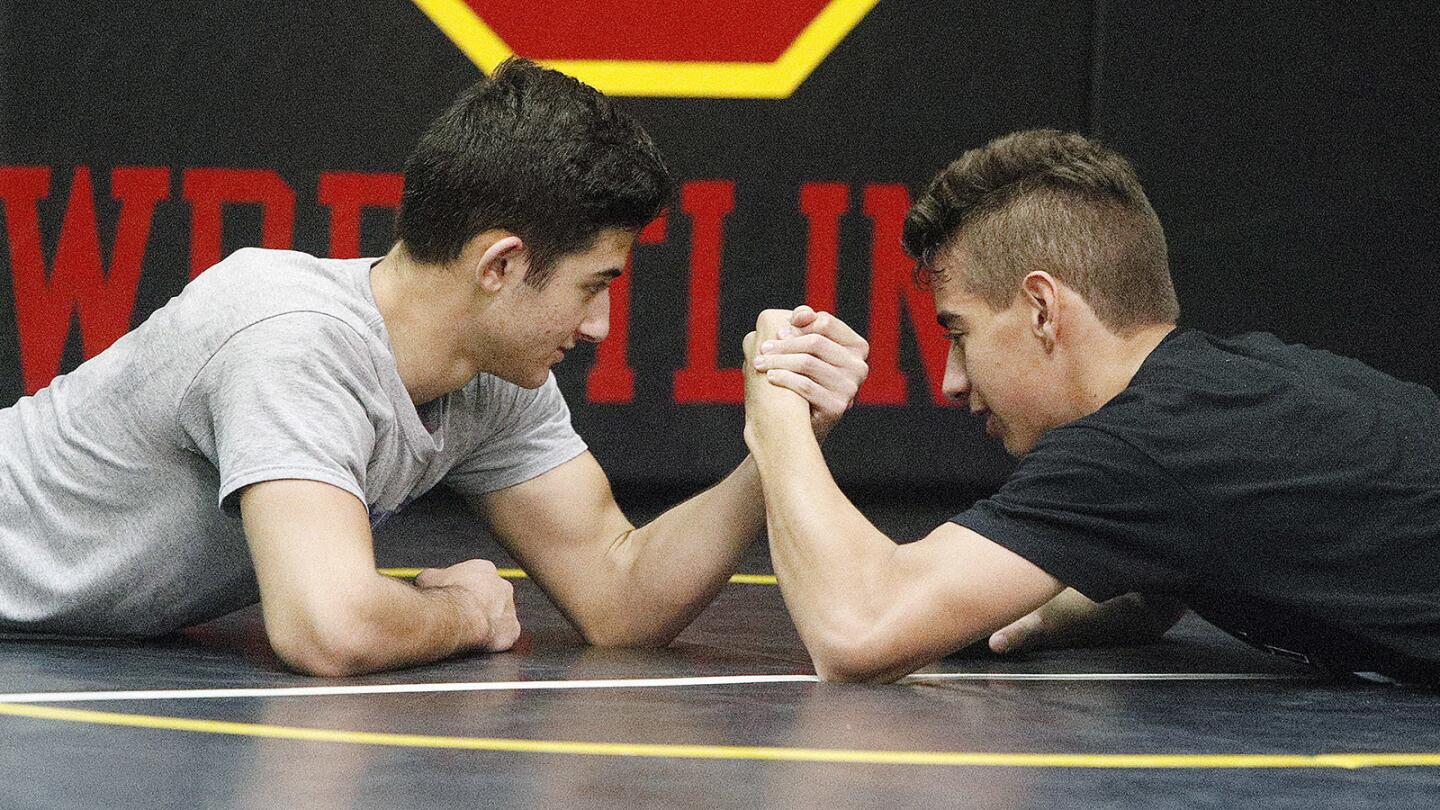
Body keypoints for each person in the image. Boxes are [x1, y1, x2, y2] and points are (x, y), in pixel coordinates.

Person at [0, 58, 869, 676]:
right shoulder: (286, 333)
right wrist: (465, 612)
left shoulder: (494, 376)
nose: (602, 324)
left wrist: (778, 447)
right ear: (500, 265)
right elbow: (328, 627)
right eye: (593, 285)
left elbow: (620, 597)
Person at [743, 129, 1440, 684]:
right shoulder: (1231, 386)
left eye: (958, 331)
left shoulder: (1142, 444)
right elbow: (1162, 581)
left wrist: (776, 410)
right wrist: (1043, 614)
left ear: (1044, 310)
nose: (953, 380)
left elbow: (858, 630)